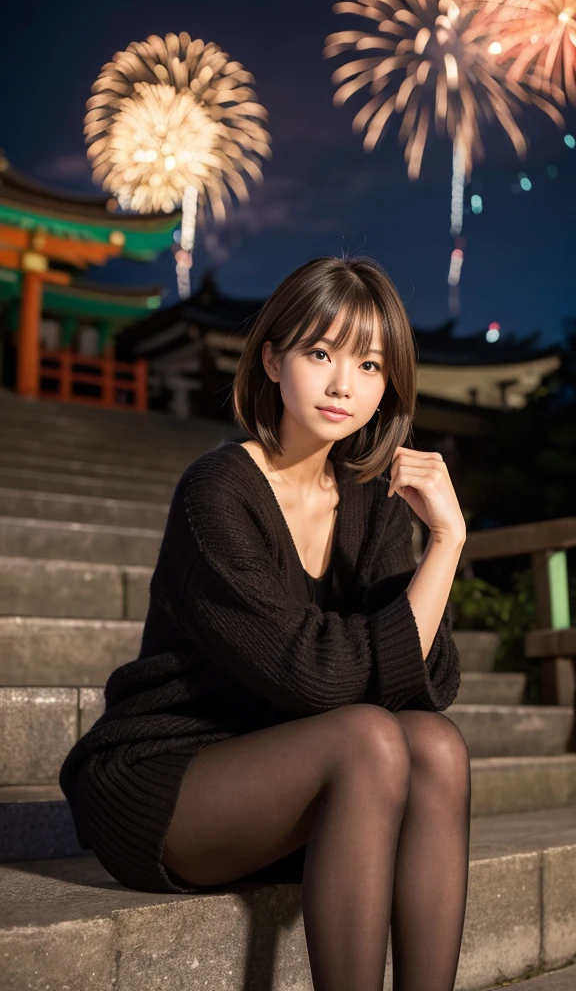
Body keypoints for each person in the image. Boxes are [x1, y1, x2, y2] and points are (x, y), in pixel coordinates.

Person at [59, 254, 470, 991]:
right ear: (274, 360)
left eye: (371, 365)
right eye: (321, 353)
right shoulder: (216, 492)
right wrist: (437, 557)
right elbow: (317, 678)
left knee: (436, 747)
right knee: (370, 738)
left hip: (292, 768)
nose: (346, 385)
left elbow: (429, 680)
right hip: (170, 776)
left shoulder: (374, 502)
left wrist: (447, 541)